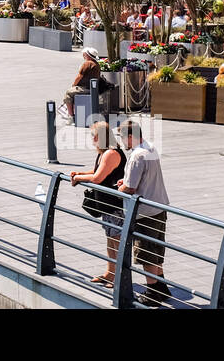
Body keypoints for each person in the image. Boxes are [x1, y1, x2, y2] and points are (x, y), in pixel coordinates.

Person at [117, 118, 173, 307]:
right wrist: (125, 183)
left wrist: (120, 189)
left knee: (146, 253)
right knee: (156, 249)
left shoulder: (136, 155)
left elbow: (131, 188)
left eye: (123, 138)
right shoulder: (151, 148)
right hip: (159, 206)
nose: (123, 142)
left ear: (130, 137)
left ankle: (152, 293)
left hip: (144, 212)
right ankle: (161, 287)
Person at [70, 121, 127, 287]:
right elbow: (97, 171)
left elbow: (97, 178)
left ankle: (118, 277)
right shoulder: (104, 153)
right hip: (106, 205)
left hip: (115, 205)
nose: (92, 139)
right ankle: (110, 273)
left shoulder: (111, 153)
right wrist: (80, 173)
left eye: (93, 136)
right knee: (110, 239)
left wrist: (78, 179)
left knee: (116, 240)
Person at [63, 47, 103, 121]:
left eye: (84, 55)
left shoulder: (87, 63)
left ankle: (71, 116)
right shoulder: (96, 64)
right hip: (92, 88)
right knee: (73, 92)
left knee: (68, 93)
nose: (83, 56)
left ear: (87, 55)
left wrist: (73, 85)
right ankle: (73, 112)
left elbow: (79, 76)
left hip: (86, 88)